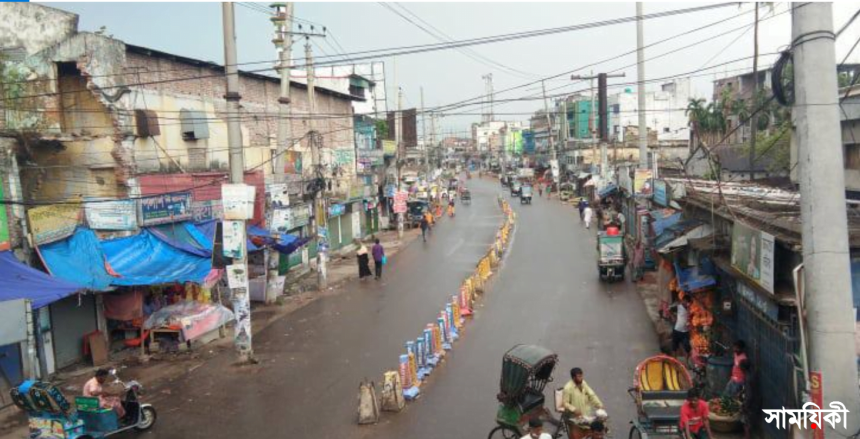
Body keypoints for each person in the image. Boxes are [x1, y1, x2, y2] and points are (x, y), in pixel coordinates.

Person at [738, 360, 758, 439]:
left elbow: (749, 395)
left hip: (751, 402)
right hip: (755, 400)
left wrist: (745, 405)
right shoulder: (751, 374)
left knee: (746, 421)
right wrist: (742, 391)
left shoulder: (748, 378)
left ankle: (747, 437)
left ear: (743, 368)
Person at [673, 294, 692, 359]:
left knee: (687, 347)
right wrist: (673, 317)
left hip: (685, 331)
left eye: (688, 302)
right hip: (677, 330)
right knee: (675, 347)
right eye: (686, 301)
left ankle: (687, 362)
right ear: (683, 300)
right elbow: (669, 310)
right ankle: (674, 361)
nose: (687, 303)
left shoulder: (690, 308)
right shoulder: (678, 307)